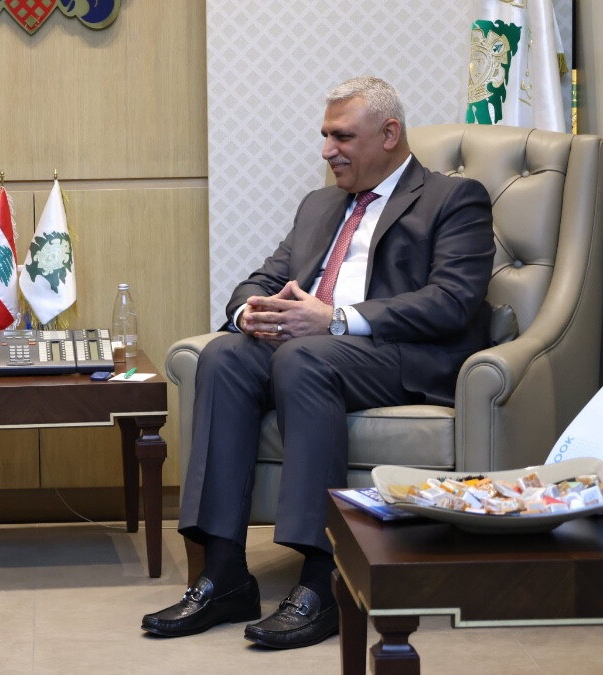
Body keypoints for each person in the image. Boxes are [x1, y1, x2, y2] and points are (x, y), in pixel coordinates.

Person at [142, 76, 494, 649]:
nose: (328, 150)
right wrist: (252, 313)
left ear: (389, 134)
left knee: (304, 356)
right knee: (225, 356)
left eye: (342, 137)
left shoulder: (453, 198)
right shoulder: (320, 204)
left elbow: (453, 301)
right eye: (326, 136)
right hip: (312, 350)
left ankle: (323, 579)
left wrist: (335, 319)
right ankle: (224, 573)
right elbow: (260, 279)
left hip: (399, 355)